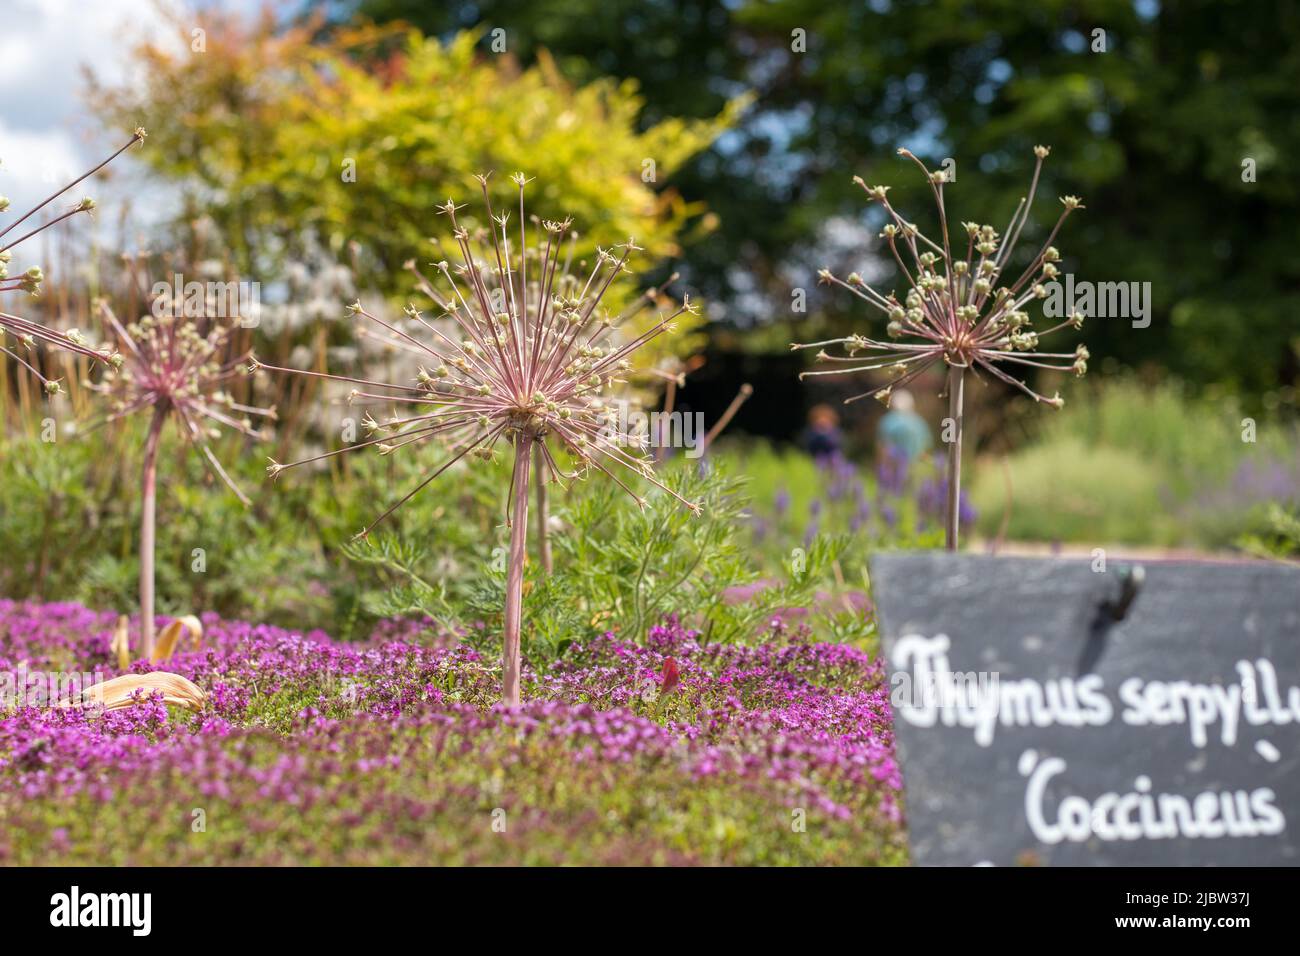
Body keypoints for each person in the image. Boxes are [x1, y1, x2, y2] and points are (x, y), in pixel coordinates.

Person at [876, 389, 932, 463]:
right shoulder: (919, 422)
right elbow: (926, 449)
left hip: (893, 467)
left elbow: (883, 448)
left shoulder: (887, 421)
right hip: (915, 467)